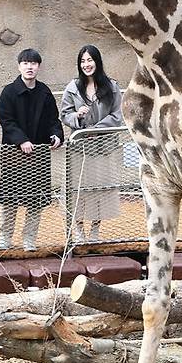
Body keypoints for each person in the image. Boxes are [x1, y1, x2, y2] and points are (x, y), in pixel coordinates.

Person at [0, 48, 64, 251]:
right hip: (13, 154)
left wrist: (57, 136)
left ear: (39, 67)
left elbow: (54, 119)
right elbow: (6, 120)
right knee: (10, 197)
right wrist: (21, 140)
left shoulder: (44, 91)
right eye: (25, 63)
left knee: (36, 198)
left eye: (33, 63)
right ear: (19, 66)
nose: (29, 66)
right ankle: (5, 238)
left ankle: (29, 240)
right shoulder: (8, 91)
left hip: (39, 155)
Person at [60, 44, 124, 243]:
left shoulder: (111, 86)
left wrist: (95, 130)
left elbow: (117, 115)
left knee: (100, 189)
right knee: (79, 188)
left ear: (97, 61)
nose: (86, 64)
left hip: (104, 146)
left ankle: (95, 230)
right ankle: (78, 231)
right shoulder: (72, 88)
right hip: (80, 148)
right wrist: (77, 118)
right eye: (83, 61)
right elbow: (64, 114)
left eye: (90, 60)